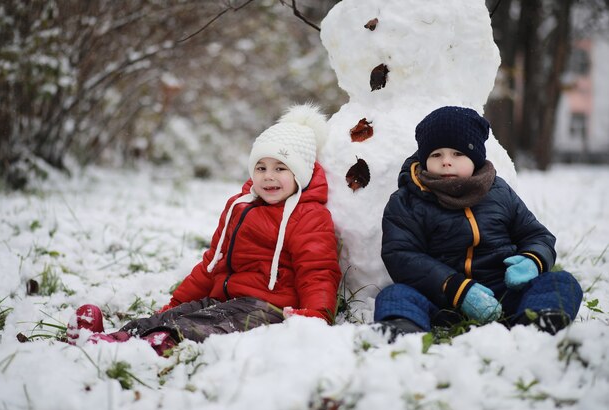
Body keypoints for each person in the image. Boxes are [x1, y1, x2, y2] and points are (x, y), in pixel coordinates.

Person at [67, 104, 342, 355]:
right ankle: (117, 337)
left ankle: (160, 345)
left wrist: (317, 314)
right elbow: (212, 264)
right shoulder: (239, 207)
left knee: (204, 323)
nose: (268, 175)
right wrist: (174, 303)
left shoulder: (309, 216)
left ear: (301, 174)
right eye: (261, 167)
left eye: (281, 168)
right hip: (223, 296)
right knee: (179, 314)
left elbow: (318, 270)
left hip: (266, 307)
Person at [374, 106, 583, 340]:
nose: (446, 162)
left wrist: (533, 260)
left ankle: (537, 321)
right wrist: (456, 289)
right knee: (395, 295)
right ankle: (403, 328)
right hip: (442, 297)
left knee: (561, 281)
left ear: (475, 158)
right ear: (424, 160)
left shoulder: (499, 192)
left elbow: (536, 235)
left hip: (503, 292)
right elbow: (401, 254)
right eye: (436, 155)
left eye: (457, 154)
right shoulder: (408, 201)